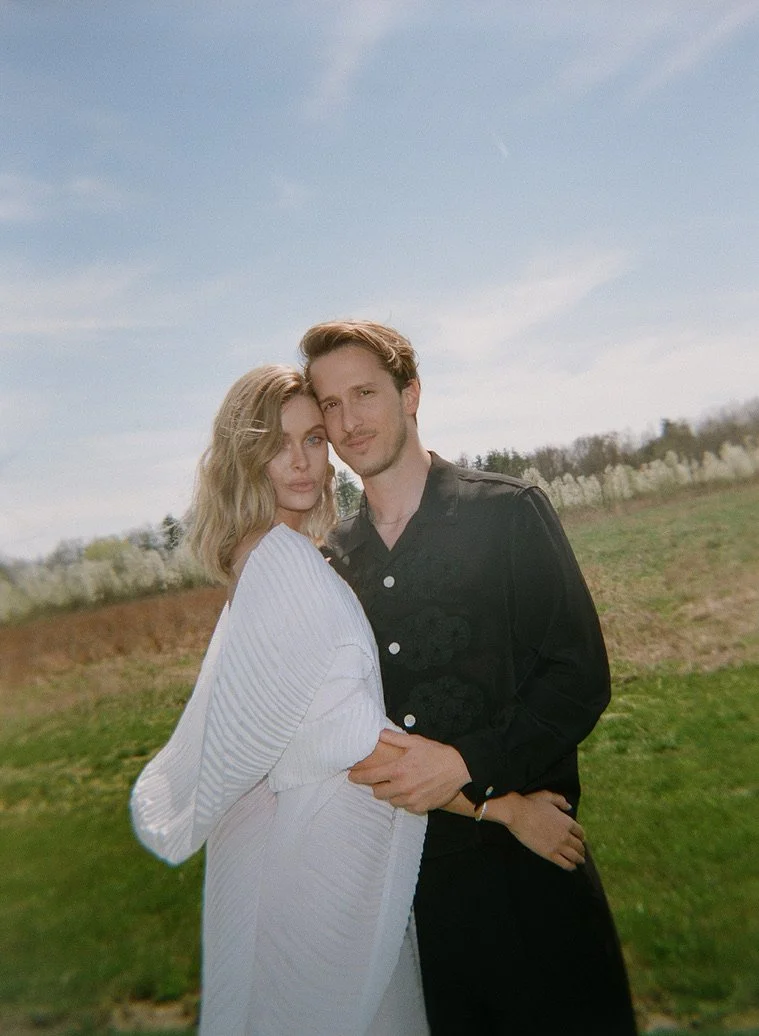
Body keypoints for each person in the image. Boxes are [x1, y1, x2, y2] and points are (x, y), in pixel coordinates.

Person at [130, 365, 584, 1036]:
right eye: (276, 443)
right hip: (330, 872)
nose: (301, 461)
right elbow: (361, 744)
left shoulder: (276, 556)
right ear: (241, 455)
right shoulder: (281, 565)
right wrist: (506, 808)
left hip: (330, 852)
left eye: (313, 438)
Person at [300, 321, 639, 1036]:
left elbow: (578, 675)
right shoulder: (334, 561)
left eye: (364, 393)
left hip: (530, 863)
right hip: (404, 892)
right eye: (329, 404)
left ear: (411, 392)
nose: (348, 420)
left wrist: (465, 764)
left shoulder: (506, 513)